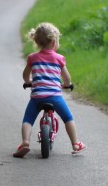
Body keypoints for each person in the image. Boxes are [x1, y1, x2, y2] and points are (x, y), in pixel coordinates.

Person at [13, 22, 87, 158]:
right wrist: (67, 84)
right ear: (53, 42)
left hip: (37, 97)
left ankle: (25, 143)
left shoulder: (32, 58)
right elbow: (66, 77)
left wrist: (28, 82)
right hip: (54, 96)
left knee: (28, 119)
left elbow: (25, 75)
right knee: (68, 118)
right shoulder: (59, 58)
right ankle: (76, 144)